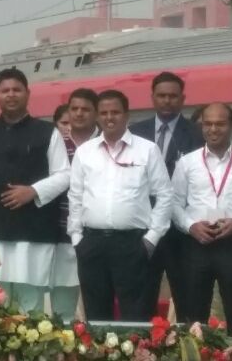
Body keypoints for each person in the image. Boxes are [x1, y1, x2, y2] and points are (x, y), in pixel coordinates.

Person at [0, 69, 70, 312]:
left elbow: (65, 175)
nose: (11, 95)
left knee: (29, 307)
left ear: (28, 94)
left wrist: (33, 191)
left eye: (17, 90)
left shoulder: (48, 132)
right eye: (5, 91)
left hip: (33, 235)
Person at [68, 89, 173, 321]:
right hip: (92, 243)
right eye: (103, 112)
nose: (109, 117)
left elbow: (165, 195)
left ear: (127, 115)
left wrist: (151, 239)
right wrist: (77, 238)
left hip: (133, 244)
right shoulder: (85, 152)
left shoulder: (147, 150)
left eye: (115, 112)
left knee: (136, 316)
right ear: (97, 116)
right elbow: (75, 197)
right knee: (96, 317)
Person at [171, 103, 232, 339]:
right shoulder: (187, 163)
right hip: (196, 243)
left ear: (231, 126)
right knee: (194, 314)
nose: (213, 129)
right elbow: (173, 204)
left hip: (231, 243)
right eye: (208, 123)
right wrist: (190, 226)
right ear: (201, 126)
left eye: (220, 123)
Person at [130, 71, 204, 320]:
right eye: (161, 95)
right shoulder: (134, 133)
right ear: (152, 97)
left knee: (187, 301)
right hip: (144, 228)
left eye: (173, 96)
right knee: (141, 300)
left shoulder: (197, 134)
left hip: (180, 233)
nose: (167, 101)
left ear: (183, 99)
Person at [51, 89, 99, 325]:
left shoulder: (106, 144)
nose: (79, 114)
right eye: (74, 109)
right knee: (64, 304)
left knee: (98, 302)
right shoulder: (55, 143)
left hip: (98, 234)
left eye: (86, 109)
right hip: (59, 233)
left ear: (96, 113)